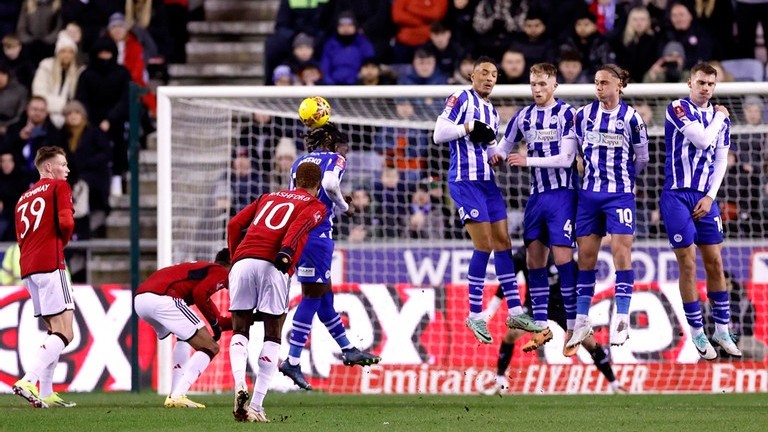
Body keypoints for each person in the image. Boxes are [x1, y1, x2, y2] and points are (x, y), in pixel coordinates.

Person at [433, 56, 542, 345]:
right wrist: (467, 127)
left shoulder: (492, 112)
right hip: (464, 182)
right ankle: (474, 314)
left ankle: (516, 311)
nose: (490, 78)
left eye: (494, 74)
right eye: (484, 72)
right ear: (472, 75)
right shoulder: (461, 97)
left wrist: (498, 156)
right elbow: (438, 133)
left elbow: (491, 148)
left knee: (504, 242)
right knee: (484, 245)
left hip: (487, 182)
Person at [279, 123, 381, 392]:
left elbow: (307, 192)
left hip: (299, 232)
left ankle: (348, 349)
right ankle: (292, 359)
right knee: (312, 295)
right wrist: (344, 206)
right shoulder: (334, 158)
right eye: (343, 147)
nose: (345, 153)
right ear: (333, 143)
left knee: (324, 295)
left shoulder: (300, 161)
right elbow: (330, 182)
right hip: (317, 236)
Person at [227, 162, 327, 423]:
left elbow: (234, 224)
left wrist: (235, 256)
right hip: (274, 264)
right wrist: (286, 252)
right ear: (318, 185)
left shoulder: (268, 196)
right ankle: (257, 406)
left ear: (294, 179)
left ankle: (239, 383)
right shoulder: (315, 205)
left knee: (240, 329)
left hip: (243, 261)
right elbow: (299, 228)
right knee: (273, 334)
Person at [563, 64, 649, 351]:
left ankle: (622, 319)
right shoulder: (583, 116)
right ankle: (581, 320)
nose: (599, 88)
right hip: (588, 196)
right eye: (596, 83)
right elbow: (573, 151)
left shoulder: (632, 119)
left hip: (619, 196)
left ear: (619, 85)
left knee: (621, 253)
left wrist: (625, 182)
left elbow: (642, 158)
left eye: (604, 83)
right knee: (586, 258)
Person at [660, 62, 741, 360]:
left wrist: (710, 196)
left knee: (716, 263)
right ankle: (696, 331)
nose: (705, 88)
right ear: (689, 83)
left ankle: (722, 329)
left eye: (710, 84)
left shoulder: (722, 121)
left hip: (705, 198)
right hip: (676, 196)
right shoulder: (678, 108)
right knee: (689, 264)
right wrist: (720, 116)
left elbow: (720, 161)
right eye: (701, 82)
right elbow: (702, 139)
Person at [498, 62, 579, 354]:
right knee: (535, 261)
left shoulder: (568, 114)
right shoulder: (523, 117)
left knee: (562, 259)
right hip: (537, 198)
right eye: (533, 84)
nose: (537, 89)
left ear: (554, 86)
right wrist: (483, 149)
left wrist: (527, 160)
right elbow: (502, 148)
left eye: (543, 84)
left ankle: (573, 326)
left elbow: (567, 158)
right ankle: (542, 327)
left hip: (562, 195)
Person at [483, 248, 627, 394]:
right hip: (535, 304)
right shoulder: (523, 254)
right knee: (511, 335)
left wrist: (582, 311)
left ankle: (614, 383)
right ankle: (500, 380)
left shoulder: (560, 250)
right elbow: (507, 282)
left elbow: (580, 279)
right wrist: (490, 311)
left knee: (589, 342)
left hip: (562, 306)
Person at [12, 146, 76, 408]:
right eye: (63, 164)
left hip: (28, 268)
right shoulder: (58, 187)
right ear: (49, 167)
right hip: (51, 263)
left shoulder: (22, 198)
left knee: (53, 330)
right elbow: (67, 222)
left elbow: (20, 237)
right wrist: (62, 245)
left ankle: (47, 391)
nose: (67, 170)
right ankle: (28, 380)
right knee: (66, 332)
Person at [133, 248, 232, 408]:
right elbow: (200, 294)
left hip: (141, 300)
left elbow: (219, 321)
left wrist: (250, 319)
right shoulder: (220, 271)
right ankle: (178, 395)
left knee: (184, 338)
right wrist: (214, 326)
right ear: (231, 261)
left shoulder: (201, 271)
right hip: (163, 297)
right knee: (211, 347)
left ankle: (174, 395)